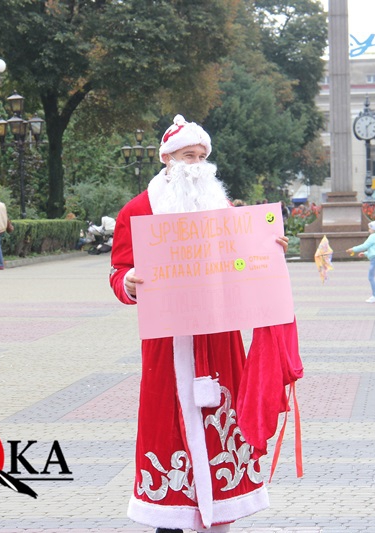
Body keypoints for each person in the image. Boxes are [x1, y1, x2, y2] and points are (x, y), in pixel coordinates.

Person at [109, 115, 289, 532]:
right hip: (167, 346)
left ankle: (222, 514)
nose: (196, 164)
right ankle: (168, 521)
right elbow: (118, 273)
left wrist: (271, 246)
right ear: (167, 159)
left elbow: (250, 261)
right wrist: (130, 281)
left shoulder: (223, 210)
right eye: (188, 155)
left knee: (221, 429)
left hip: (220, 340)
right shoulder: (137, 211)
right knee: (167, 430)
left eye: (202, 156)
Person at [346, 220, 375, 303]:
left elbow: (365, 246)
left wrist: (353, 249)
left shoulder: (373, 236)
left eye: (370, 228)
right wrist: (365, 254)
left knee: (371, 277)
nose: (369, 230)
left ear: (374, 229)